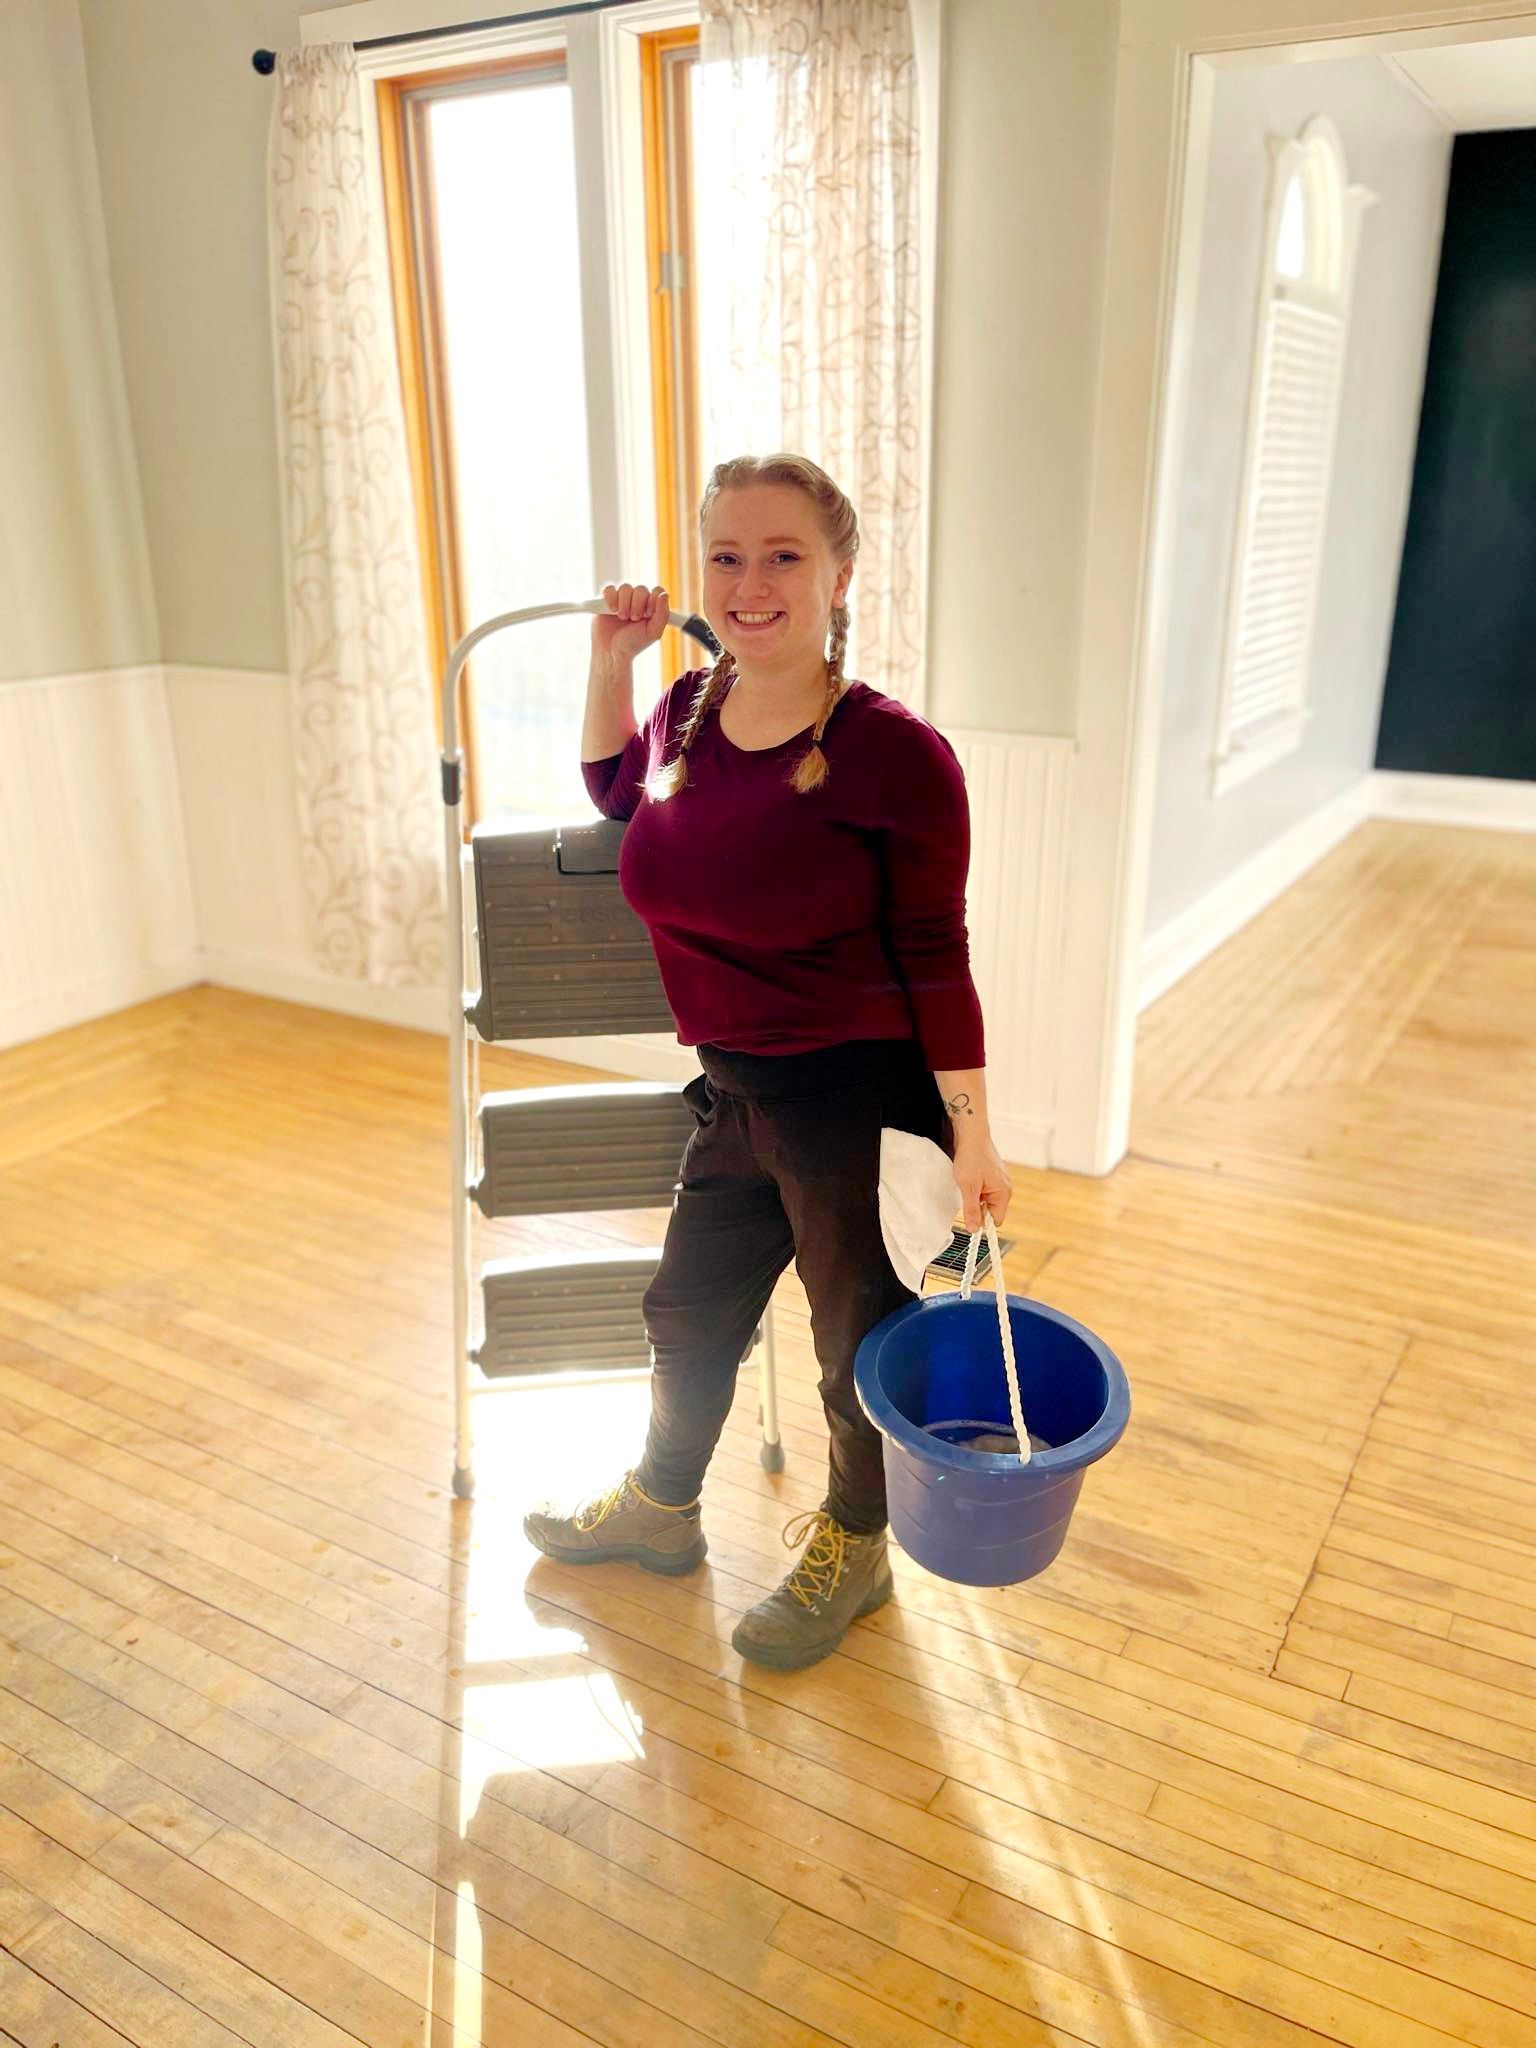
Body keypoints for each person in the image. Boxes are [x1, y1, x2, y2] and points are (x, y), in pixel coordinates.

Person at [524, 452, 1012, 1671]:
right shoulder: (689, 707)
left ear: (839, 574)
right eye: (727, 556)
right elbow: (610, 793)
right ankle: (662, 1505)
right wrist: (609, 662)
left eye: (784, 554)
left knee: (858, 1347)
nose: (751, 582)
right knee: (687, 1311)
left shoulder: (896, 754)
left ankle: (858, 1548)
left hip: (853, 1098)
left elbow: (937, 958)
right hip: (735, 1089)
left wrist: (975, 1134)